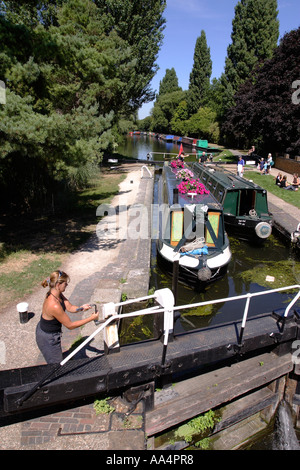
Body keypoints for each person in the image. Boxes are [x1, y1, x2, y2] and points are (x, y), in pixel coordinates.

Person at [36, 270, 99, 364]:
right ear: (58, 285)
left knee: (57, 359)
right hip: (48, 338)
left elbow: (69, 307)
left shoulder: (56, 293)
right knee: (56, 366)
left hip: (50, 333)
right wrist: (91, 318)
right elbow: (70, 325)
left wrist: (81, 308)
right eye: (65, 283)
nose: (67, 285)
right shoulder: (54, 305)